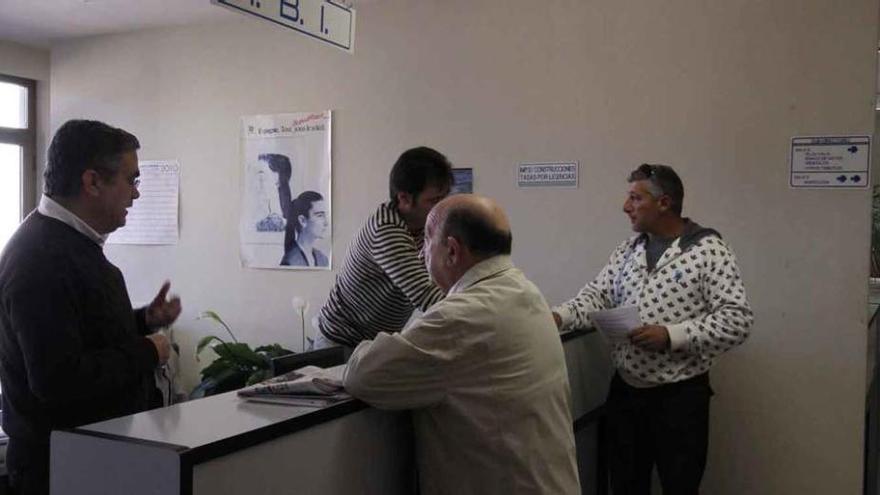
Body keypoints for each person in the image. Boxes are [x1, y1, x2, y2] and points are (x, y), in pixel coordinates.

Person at [344, 194, 580, 495]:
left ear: (452, 251)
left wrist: (366, 344)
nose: (420, 255)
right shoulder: (525, 292)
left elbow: (363, 375)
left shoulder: (460, 318)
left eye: (427, 241)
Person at [0, 119, 180, 495]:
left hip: (90, 461)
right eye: (131, 180)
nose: (137, 194)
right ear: (92, 182)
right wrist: (149, 351)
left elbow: (82, 333)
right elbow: (58, 380)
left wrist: (142, 321)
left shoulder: (67, 243)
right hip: (62, 472)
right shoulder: (40, 259)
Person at [552, 164, 754, 495]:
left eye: (635, 198)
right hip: (626, 393)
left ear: (664, 203)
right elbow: (596, 296)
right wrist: (558, 317)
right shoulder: (629, 251)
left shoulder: (707, 250)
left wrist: (673, 335)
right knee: (625, 484)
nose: (625, 206)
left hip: (680, 398)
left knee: (680, 485)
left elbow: (737, 320)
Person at [313, 146, 452, 348]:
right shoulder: (387, 231)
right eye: (434, 200)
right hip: (342, 341)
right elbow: (428, 297)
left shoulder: (425, 225)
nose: (442, 208)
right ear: (404, 198)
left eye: (444, 198)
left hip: (372, 341)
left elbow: (447, 275)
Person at [281, 190, 329, 267]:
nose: (326, 223)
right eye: (320, 216)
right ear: (302, 221)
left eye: (324, 216)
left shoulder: (322, 259)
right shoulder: (291, 261)